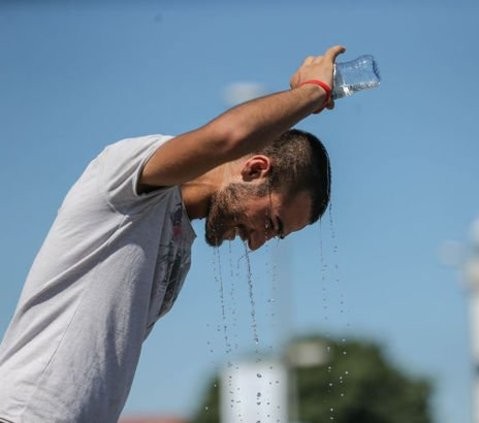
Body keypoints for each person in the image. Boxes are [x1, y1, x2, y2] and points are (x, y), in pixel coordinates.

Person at [0, 45, 346, 423]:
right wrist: (313, 91)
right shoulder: (127, 182)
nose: (257, 241)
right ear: (255, 169)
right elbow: (228, 137)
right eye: (271, 222)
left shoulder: (180, 242)